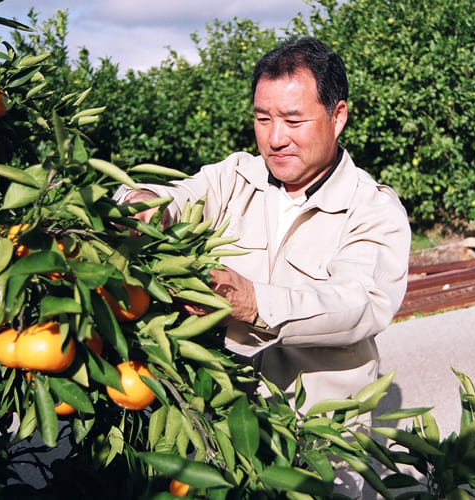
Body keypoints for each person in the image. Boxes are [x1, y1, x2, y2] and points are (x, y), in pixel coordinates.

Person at [115, 37, 411, 497]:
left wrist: (257, 304)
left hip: (316, 440)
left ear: (338, 117)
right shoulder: (236, 177)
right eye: (262, 119)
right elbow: (177, 194)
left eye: (293, 120)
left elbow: (361, 304)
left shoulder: (371, 208)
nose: (275, 138)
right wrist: (143, 204)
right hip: (222, 427)